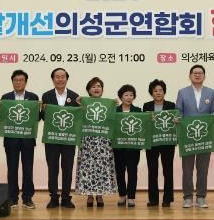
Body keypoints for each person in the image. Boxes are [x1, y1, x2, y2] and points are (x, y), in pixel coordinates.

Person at [176, 64, 214, 208]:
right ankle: (187, 197)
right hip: (187, 136)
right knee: (187, 169)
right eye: (195, 73)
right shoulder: (182, 92)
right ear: (190, 76)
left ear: (204, 76)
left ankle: (201, 197)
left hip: (205, 137)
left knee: (203, 169)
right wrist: (178, 118)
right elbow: (179, 111)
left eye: (200, 73)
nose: (197, 75)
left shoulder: (211, 92)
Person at [0, 69, 39, 209]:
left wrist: (40, 108)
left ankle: (27, 198)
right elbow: (2, 119)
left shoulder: (33, 97)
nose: (18, 82)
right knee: (12, 169)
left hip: (27, 139)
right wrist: (0, 108)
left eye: (21, 80)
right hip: (11, 139)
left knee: (28, 169)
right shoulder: (6, 97)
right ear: (12, 82)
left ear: (26, 82)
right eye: (16, 80)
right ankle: (12, 198)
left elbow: (36, 118)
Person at [41, 67, 80, 209]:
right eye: (57, 77)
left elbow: (78, 117)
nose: (60, 79)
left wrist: (82, 106)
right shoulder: (46, 95)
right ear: (53, 79)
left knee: (67, 168)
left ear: (67, 79)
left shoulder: (75, 97)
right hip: (52, 139)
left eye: (63, 76)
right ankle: (53, 197)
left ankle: (65, 197)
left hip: (69, 139)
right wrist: (42, 110)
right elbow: (44, 118)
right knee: (52, 168)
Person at [74, 77, 117, 208]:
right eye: (93, 87)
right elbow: (78, 119)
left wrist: (115, 105)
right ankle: (89, 195)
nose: (96, 88)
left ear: (102, 90)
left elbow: (111, 121)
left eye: (98, 86)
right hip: (88, 141)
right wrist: (79, 105)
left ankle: (99, 195)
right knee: (88, 168)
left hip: (103, 141)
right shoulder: (83, 103)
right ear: (89, 90)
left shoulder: (109, 104)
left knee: (101, 168)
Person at [143, 79, 176, 207]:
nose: (158, 93)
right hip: (152, 142)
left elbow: (176, 121)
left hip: (167, 141)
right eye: (155, 91)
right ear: (151, 93)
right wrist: (148, 119)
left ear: (164, 92)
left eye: (160, 90)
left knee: (168, 171)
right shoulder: (146, 106)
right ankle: (153, 199)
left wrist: (176, 120)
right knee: (152, 171)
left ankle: (167, 199)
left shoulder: (171, 105)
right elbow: (144, 123)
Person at [114, 84, 141, 207]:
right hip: (118, 147)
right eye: (126, 95)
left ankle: (131, 197)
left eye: (131, 95)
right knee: (119, 172)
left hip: (133, 148)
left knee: (132, 172)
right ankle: (122, 195)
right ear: (121, 97)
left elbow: (143, 127)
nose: (129, 97)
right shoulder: (115, 110)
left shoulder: (138, 111)